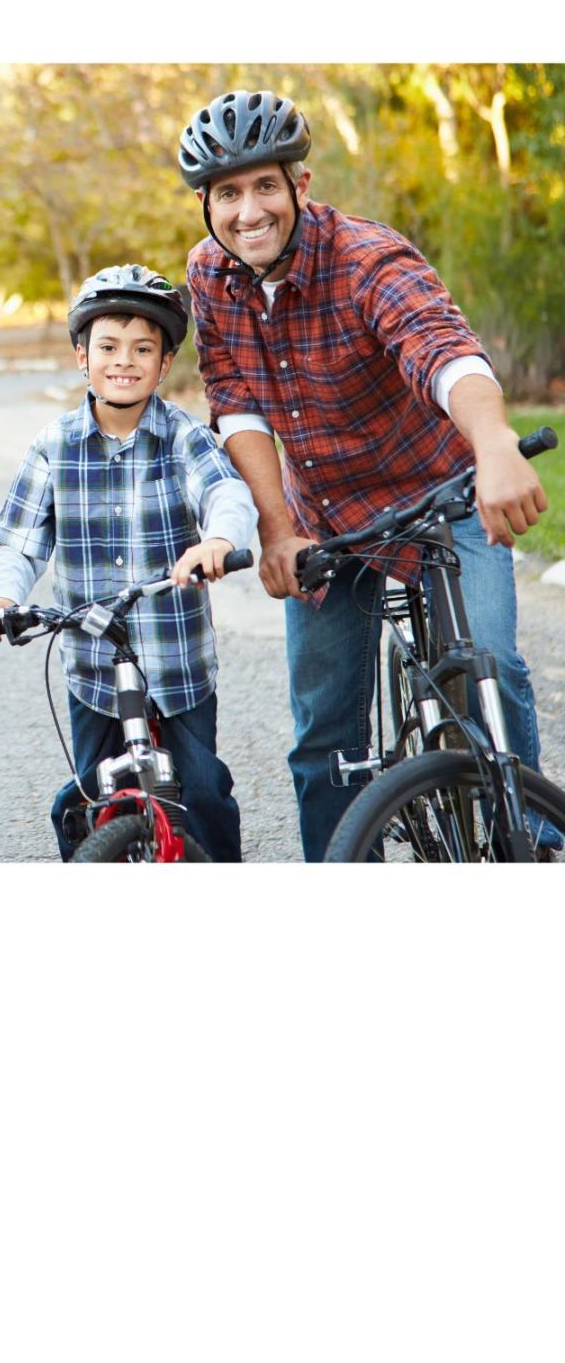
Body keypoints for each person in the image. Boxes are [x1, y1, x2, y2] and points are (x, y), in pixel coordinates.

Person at [180, 87, 552, 861]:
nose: (248, 211)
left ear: (300, 187)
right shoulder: (210, 275)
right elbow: (237, 404)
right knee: (323, 735)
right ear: (208, 205)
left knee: (488, 660)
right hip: (328, 518)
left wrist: (494, 446)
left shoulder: (368, 256)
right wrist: (278, 528)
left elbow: (444, 351)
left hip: (442, 496)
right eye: (227, 194)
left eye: (264, 187)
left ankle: (536, 842)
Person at [0, 264, 257, 861]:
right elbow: (21, 542)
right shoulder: (55, 446)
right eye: (107, 346)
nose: (123, 360)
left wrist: (218, 541)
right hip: (93, 665)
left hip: (176, 661)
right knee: (82, 801)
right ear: (82, 355)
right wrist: (3, 601)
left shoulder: (183, 437)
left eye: (142, 349)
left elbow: (224, 494)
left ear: (164, 362)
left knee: (202, 791)